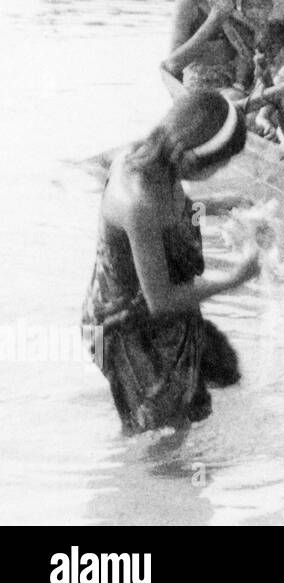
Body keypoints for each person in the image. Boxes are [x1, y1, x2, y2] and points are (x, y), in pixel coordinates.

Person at [82, 91, 260, 434]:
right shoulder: (139, 201)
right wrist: (236, 277)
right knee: (160, 435)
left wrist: (216, 205)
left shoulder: (152, 156)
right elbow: (161, 301)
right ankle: (143, 484)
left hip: (156, 316)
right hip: (124, 330)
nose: (222, 171)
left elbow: (171, 213)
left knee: (194, 409)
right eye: (221, 164)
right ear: (195, 161)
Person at [163, 0, 269, 95]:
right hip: (203, 89)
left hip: (239, 84)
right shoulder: (187, 3)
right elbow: (172, 65)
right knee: (236, 96)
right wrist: (213, 21)